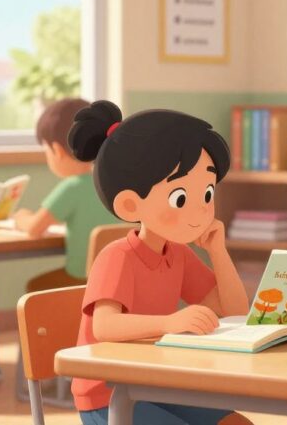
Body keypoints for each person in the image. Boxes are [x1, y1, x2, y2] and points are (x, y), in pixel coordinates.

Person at [68, 100, 251, 425]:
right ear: (129, 205)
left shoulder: (177, 253)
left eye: (207, 194)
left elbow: (234, 310)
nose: (200, 210)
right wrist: (169, 323)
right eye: (180, 198)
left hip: (155, 381)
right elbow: (104, 327)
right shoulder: (116, 257)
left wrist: (218, 251)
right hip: (107, 393)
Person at [14, 98, 118, 291]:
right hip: (121, 281)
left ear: (57, 150)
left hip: (83, 283)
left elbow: (34, 228)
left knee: (35, 288)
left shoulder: (72, 187)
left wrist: (21, 218)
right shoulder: (116, 183)